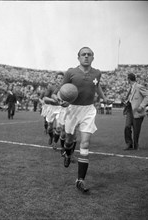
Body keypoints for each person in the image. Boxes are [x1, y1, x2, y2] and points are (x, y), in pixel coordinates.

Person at [59, 46, 111, 193]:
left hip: (88, 110)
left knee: (85, 143)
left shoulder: (97, 73)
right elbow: (61, 91)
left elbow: (97, 86)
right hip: (73, 109)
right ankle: (68, 153)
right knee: (69, 139)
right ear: (78, 57)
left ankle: (80, 180)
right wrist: (62, 100)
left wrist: (104, 98)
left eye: (89, 54)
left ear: (93, 57)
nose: (86, 56)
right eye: (83, 54)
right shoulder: (71, 72)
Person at [123, 73, 148, 150]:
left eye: (127, 79)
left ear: (129, 79)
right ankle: (129, 144)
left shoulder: (139, 87)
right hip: (129, 110)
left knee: (136, 129)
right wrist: (127, 102)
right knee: (127, 127)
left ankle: (136, 145)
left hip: (137, 111)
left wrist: (141, 106)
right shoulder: (130, 88)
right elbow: (131, 99)